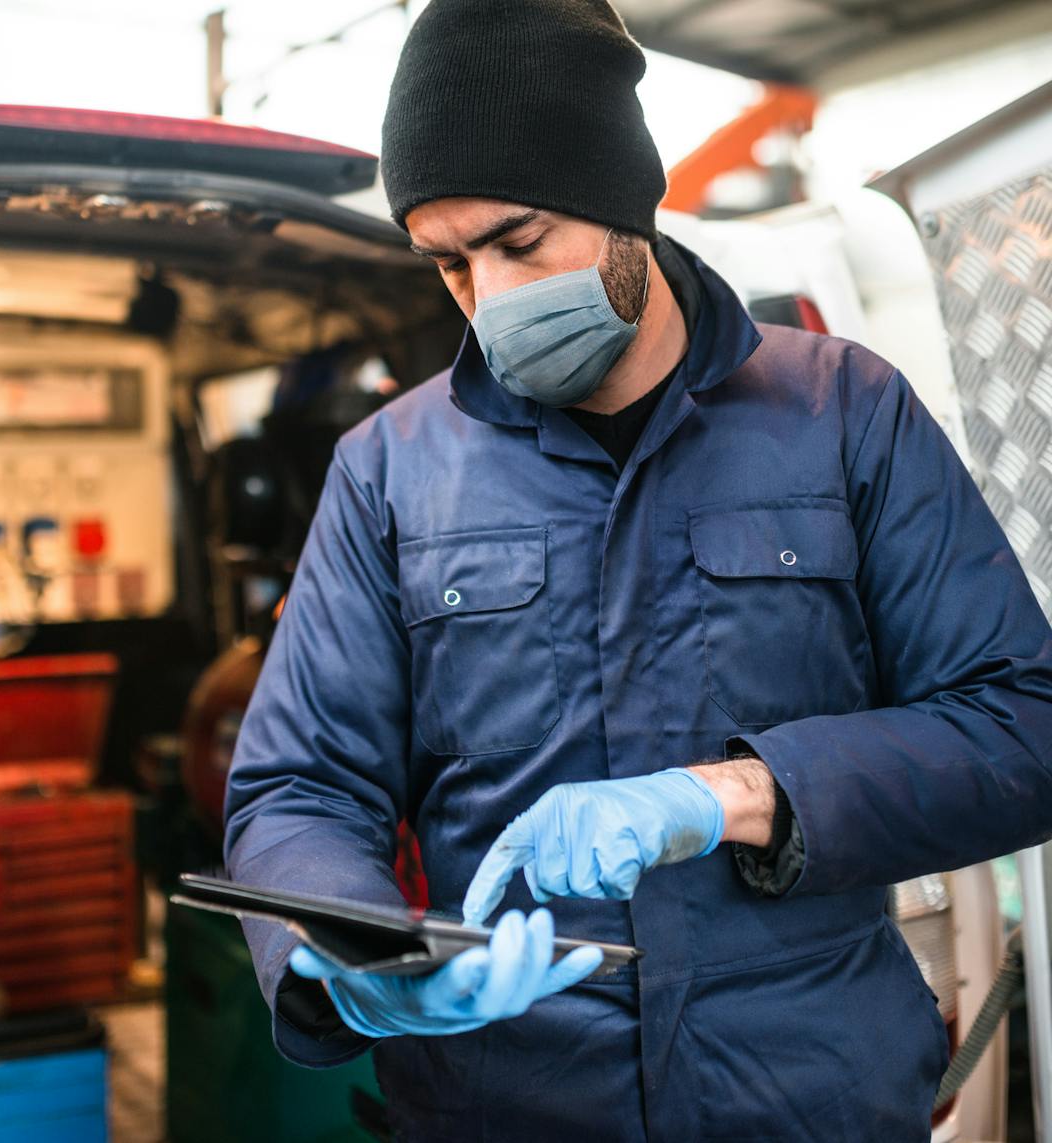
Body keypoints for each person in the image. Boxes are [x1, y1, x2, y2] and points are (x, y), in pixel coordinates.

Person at [223, 1, 1052, 1139]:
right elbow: (299, 787)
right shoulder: (388, 473)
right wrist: (345, 952)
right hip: (507, 1102)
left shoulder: (843, 415)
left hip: (808, 1097)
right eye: (449, 263)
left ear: (626, 198)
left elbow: (1021, 728)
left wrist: (735, 797)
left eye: (520, 242)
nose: (491, 297)